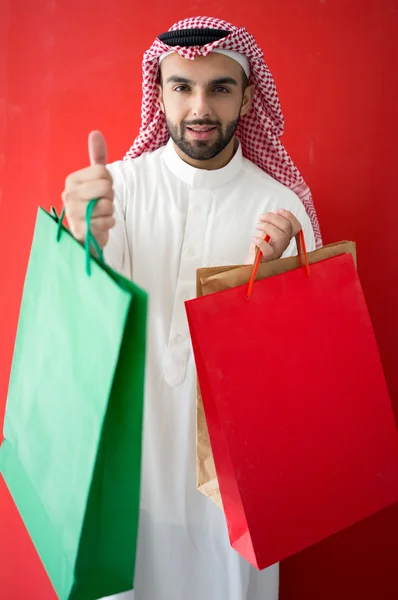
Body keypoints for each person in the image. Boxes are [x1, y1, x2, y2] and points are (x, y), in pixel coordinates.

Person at [62, 15, 321, 600]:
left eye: (220, 87)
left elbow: (304, 365)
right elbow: (95, 305)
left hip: (235, 483)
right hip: (136, 462)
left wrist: (279, 274)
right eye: (181, 87)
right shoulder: (119, 187)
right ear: (160, 94)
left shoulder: (281, 206)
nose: (199, 106)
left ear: (248, 97)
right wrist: (87, 234)